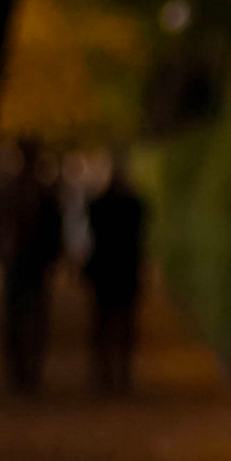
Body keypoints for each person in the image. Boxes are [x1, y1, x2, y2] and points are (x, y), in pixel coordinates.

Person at [0, 142, 64, 392]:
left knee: (28, 317)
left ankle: (26, 370)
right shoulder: (21, 192)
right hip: (20, 263)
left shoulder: (37, 193)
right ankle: (20, 370)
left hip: (31, 264)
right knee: (20, 317)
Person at [84, 152, 148, 395]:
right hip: (124, 269)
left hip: (106, 269)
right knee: (122, 323)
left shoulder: (99, 205)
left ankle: (106, 371)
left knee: (104, 322)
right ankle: (119, 371)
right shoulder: (133, 205)